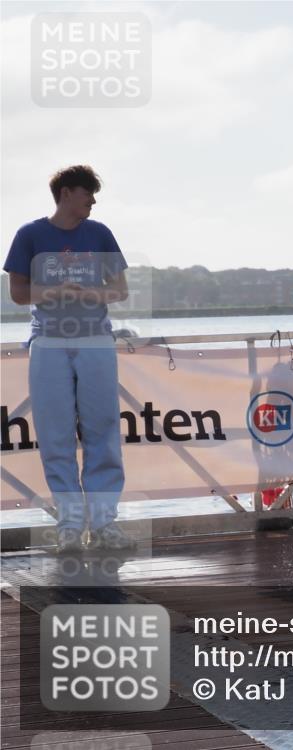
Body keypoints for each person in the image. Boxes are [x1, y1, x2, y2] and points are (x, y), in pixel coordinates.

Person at [3, 165, 133, 553]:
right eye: (87, 193)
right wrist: (57, 290)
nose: (92, 201)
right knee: (56, 435)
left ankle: (106, 524)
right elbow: (18, 294)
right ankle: (70, 527)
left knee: (103, 432)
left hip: (95, 341)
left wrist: (91, 295)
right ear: (65, 193)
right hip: (48, 344)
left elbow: (120, 290)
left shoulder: (100, 233)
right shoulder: (30, 235)